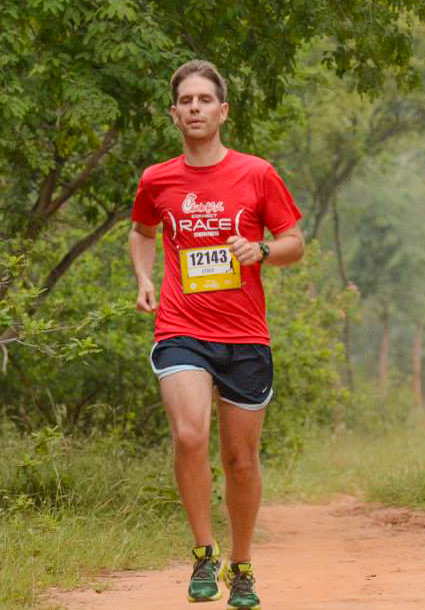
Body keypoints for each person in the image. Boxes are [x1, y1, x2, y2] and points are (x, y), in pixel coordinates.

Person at [128, 60, 304, 610]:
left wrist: (264, 250)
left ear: (222, 111)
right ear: (174, 113)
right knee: (188, 436)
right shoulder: (158, 179)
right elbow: (141, 231)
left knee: (240, 460)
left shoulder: (257, 174)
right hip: (182, 328)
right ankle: (204, 551)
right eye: (188, 101)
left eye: (206, 99)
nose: (196, 108)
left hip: (246, 336)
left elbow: (294, 241)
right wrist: (144, 277)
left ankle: (242, 564)